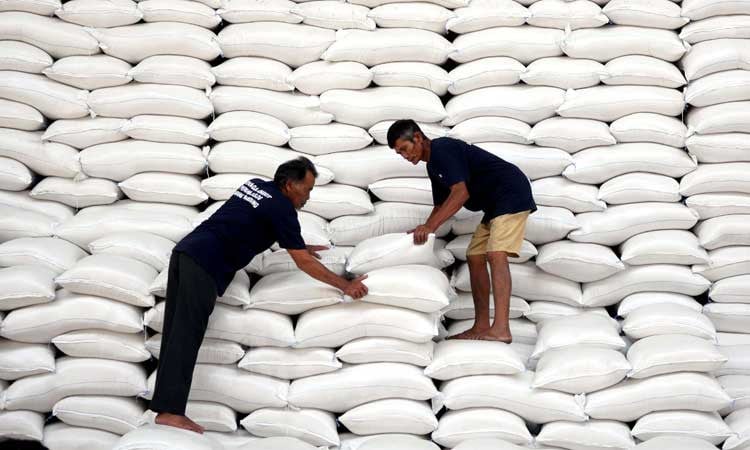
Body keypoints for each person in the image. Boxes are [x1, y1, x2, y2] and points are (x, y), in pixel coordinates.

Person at [150, 157, 368, 433]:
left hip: (185, 253)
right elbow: (302, 262)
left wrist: (298, 245)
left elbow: (248, 221)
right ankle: (170, 412)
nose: (309, 197)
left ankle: (165, 409)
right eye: (308, 189)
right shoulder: (283, 209)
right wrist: (344, 285)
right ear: (290, 185)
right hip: (204, 264)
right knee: (187, 336)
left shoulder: (255, 186)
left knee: (175, 333)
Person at [387, 120, 536, 343]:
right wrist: (425, 230)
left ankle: (501, 329)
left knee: (496, 254)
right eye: (399, 154)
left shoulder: (442, 150)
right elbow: (440, 205)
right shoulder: (432, 166)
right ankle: (481, 326)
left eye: (405, 149)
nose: (405, 157)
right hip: (495, 205)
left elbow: (460, 193)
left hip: (511, 192)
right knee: (475, 256)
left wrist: (429, 227)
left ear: (417, 137)